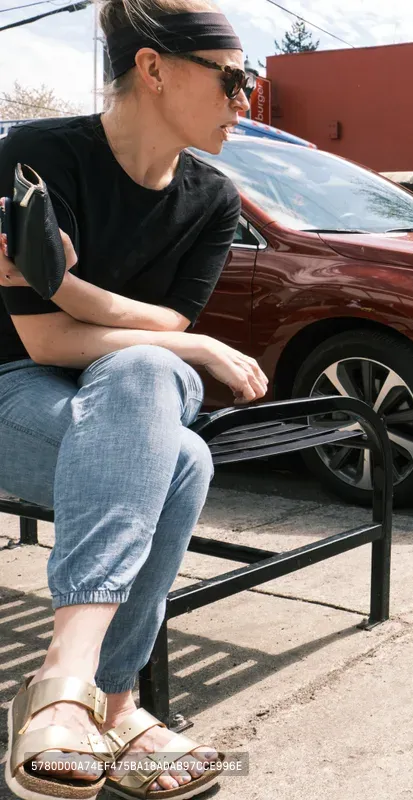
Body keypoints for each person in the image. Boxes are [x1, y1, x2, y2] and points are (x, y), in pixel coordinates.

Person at [0, 2, 268, 799]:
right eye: (234, 79)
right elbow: (46, 346)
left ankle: (64, 688)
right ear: (153, 68)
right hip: (13, 389)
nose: (246, 100)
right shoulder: (39, 153)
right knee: (180, 456)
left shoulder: (214, 200)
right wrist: (187, 344)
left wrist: (66, 284)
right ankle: (117, 701)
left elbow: (166, 325)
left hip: (122, 399)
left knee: (148, 375)